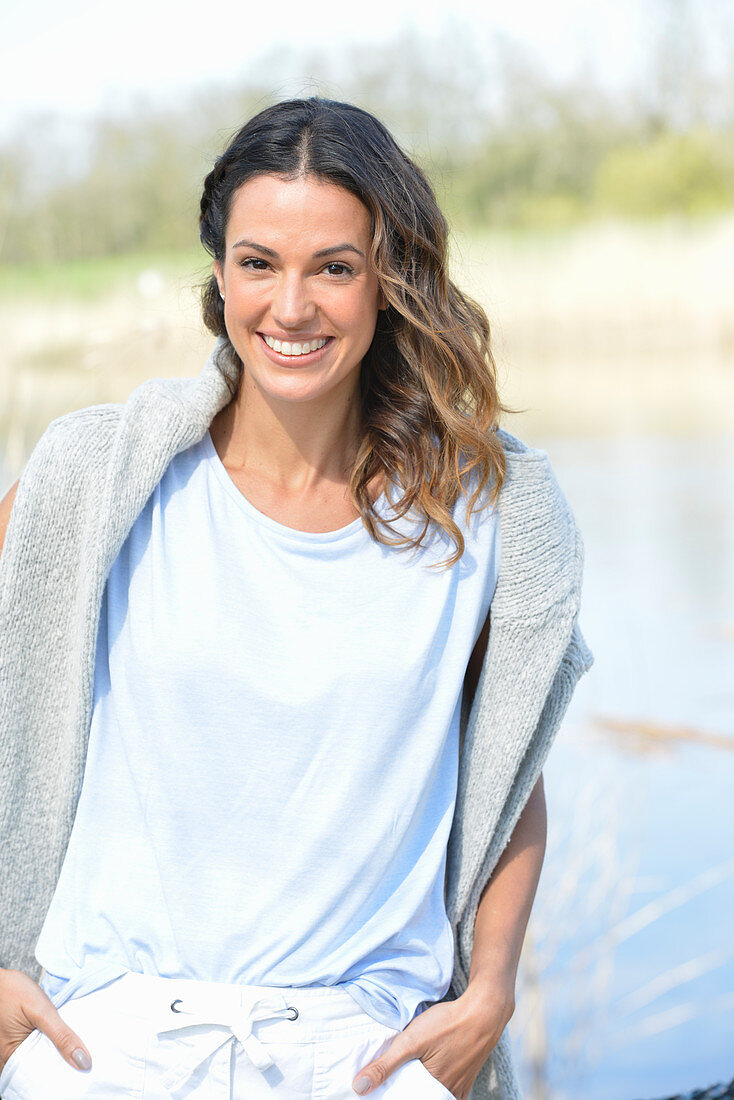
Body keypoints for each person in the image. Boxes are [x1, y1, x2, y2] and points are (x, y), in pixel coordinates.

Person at [0, 97, 593, 1100]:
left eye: (333, 266)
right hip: (114, 1038)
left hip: (366, 1049)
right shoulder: (97, 479)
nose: (290, 306)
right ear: (218, 272)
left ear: (388, 278)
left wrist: (488, 988)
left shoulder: (487, 511)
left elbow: (508, 765)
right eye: (257, 261)